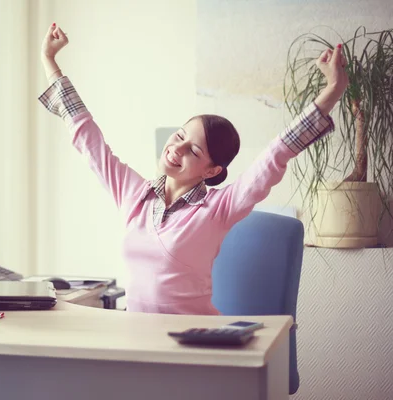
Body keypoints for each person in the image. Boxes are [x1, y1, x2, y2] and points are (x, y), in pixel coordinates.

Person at [39, 23, 348, 315]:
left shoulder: (219, 208)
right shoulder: (134, 193)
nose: (178, 148)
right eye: (180, 136)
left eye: (194, 150)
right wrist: (49, 60)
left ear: (211, 170)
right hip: (135, 340)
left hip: (193, 343)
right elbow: (88, 138)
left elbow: (275, 155)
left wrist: (333, 89)